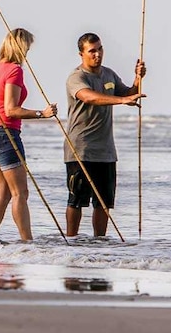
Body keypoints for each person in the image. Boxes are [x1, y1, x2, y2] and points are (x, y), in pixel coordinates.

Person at [64, 32, 146, 237]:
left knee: (103, 202)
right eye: (92, 51)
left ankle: (100, 245)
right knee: (77, 200)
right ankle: (71, 240)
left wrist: (137, 78)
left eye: (100, 49)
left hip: (106, 150)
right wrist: (120, 101)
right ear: (81, 54)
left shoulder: (109, 74)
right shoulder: (77, 77)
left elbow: (126, 94)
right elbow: (89, 97)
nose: (97, 54)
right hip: (80, 149)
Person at [0, 28, 57, 242]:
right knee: (20, 193)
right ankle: (27, 241)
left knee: (2, 191)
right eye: (28, 49)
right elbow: (11, 109)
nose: (27, 54)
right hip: (4, 132)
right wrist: (43, 113)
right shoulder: (14, 70)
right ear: (21, 47)